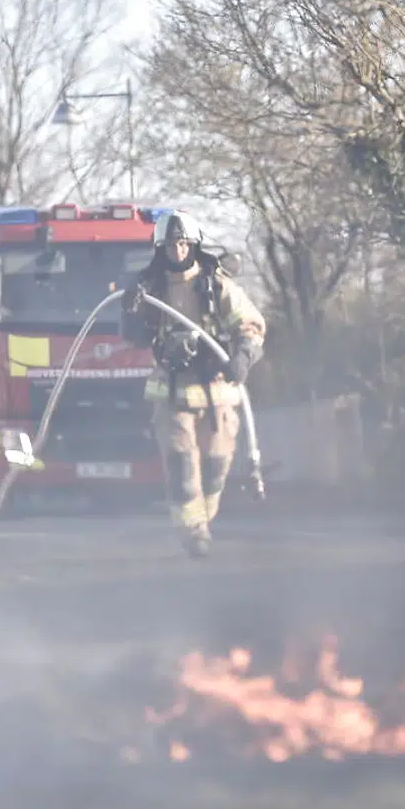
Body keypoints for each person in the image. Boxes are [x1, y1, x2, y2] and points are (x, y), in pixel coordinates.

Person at [120, 210, 266, 558]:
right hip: (172, 395)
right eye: (171, 245)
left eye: (184, 244)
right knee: (182, 464)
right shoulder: (150, 288)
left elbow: (250, 325)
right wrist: (131, 312)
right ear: (161, 248)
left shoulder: (215, 285)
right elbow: (134, 336)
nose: (178, 251)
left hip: (217, 393)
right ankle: (192, 533)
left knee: (216, 467)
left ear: (194, 245)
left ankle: (204, 518)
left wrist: (243, 357)